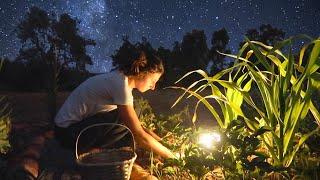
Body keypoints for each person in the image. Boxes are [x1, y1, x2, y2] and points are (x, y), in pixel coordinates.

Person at [54, 48, 175, 179]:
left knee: (134, 111)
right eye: (153, 81)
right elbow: (138, 133)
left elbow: (138, 125)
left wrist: (162, 142)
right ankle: (91, 153)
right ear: (143, 73)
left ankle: (102, 150)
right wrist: (172, 156)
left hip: (74, 128)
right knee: (124, 120)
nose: (153, 87)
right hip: (67, 133)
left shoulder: (121, 80)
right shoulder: (119, 84)